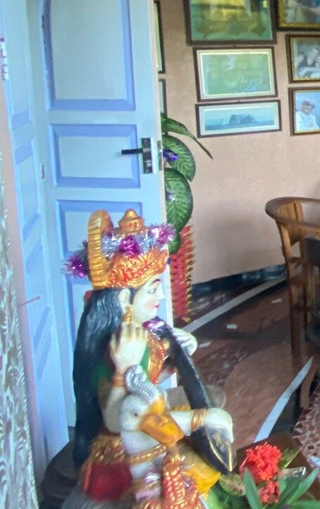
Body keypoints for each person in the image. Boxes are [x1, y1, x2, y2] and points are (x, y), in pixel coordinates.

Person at [64, 209, 233, 507]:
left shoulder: (138, 335)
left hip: (143, 429)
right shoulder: (116, 347)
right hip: (122, 453)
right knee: (200, 473)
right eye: (153, 289)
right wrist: (200, 418)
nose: (161, 297)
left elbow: (144, 383)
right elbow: (120, 419)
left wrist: (173, 361)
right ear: (124, 300)